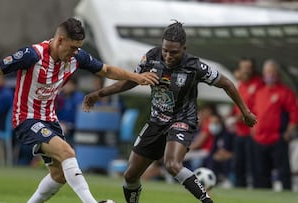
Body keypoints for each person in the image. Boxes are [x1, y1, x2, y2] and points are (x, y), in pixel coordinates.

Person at [0, 18, 158, 203]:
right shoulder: (33, 55)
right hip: (26, 118)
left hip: (50, 120)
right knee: (67, 152)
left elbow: (106, 70)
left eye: (78, 48)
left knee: (60, 175)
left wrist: (135, 77)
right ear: (60, 40)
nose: (75, 52)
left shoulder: (76, 57)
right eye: (73, 47)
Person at [82, 21, 257, 203]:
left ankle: (207, 201)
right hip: (156, 122)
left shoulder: (195, 66)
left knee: (172, 164)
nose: (168, 56)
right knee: (130, 175)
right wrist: (100, 93)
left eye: (174, 52)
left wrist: (245, 112)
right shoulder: (151, 57)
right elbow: (131, 80)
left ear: (184, 48)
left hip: (182, 120)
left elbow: (227, 83)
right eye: (165, 50)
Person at [252, 59, 298, 191]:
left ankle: (287, 195)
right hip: (260, 139)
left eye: (272, 72)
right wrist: (253, 128)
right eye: (267, 72)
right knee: (261, 173)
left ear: (278, 74)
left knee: (283, 172)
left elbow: (294, 114)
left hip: (278, 138)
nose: (270, 75)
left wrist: (289, 132)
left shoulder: (285, 92)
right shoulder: (260, 92)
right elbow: (253, 112)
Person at [231, 57, 263, 188]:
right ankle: (240, 189)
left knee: (254, 165)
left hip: (252, 132)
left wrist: (242, 116)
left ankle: (257, 190)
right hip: (240, 132)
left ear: (252, 69)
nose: (245, 71)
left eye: (248, 68)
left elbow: (259, 108)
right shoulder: (240, 86)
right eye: (243, 68)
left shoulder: (259, 85)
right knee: (239, 164)